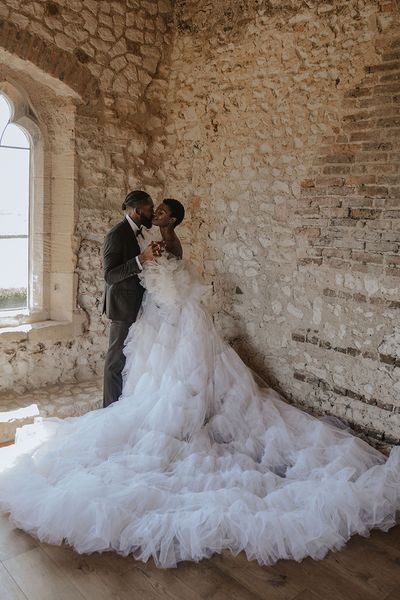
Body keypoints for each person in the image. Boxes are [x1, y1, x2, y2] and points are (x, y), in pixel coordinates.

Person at [0, 198, 399, 569]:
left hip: (171, 318)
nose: (154, 214)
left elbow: (173, 279)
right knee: (133, 370)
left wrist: (154, 276)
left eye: (160, 213)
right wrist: (147, 271)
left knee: (165, 375)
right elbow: (129, 273)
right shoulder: (138, 237)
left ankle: (169, 415)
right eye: (150, 210)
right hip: (154, 318)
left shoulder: (167, 239)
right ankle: (129, 411)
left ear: (170, 220)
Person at [102, 190, 162, 408]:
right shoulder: (116, 234)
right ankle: (108, 411)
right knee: (115, 362)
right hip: (122, 305)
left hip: (139, 304)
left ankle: (123, 406)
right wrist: (141, 259)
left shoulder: (140, 232)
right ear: (137, 211)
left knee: (130, 358)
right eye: (150, 209)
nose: (153, 213)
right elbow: (109, 275)